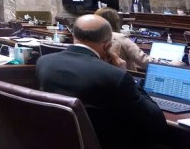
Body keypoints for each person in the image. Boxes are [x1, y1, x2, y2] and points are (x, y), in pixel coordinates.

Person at [36, 14, 167, 149]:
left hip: (61, 141)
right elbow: (156, 124)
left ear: (73, 36)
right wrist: (124, 74)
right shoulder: (114, 76)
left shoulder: (44, 62)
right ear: (108, 45)